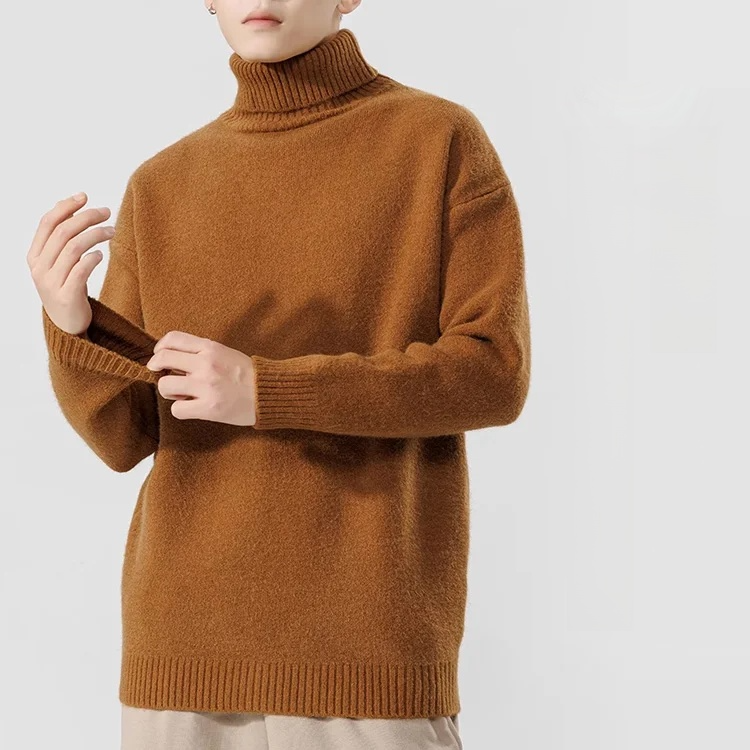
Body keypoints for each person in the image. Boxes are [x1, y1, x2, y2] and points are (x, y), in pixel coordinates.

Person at [27, 0, 531, 748]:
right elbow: (124, 438)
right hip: (181, 650)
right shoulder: (162, 184)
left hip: (365, 651)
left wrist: (266, 391)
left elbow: (494, 371)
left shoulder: (437, 141)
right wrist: (72, 326)